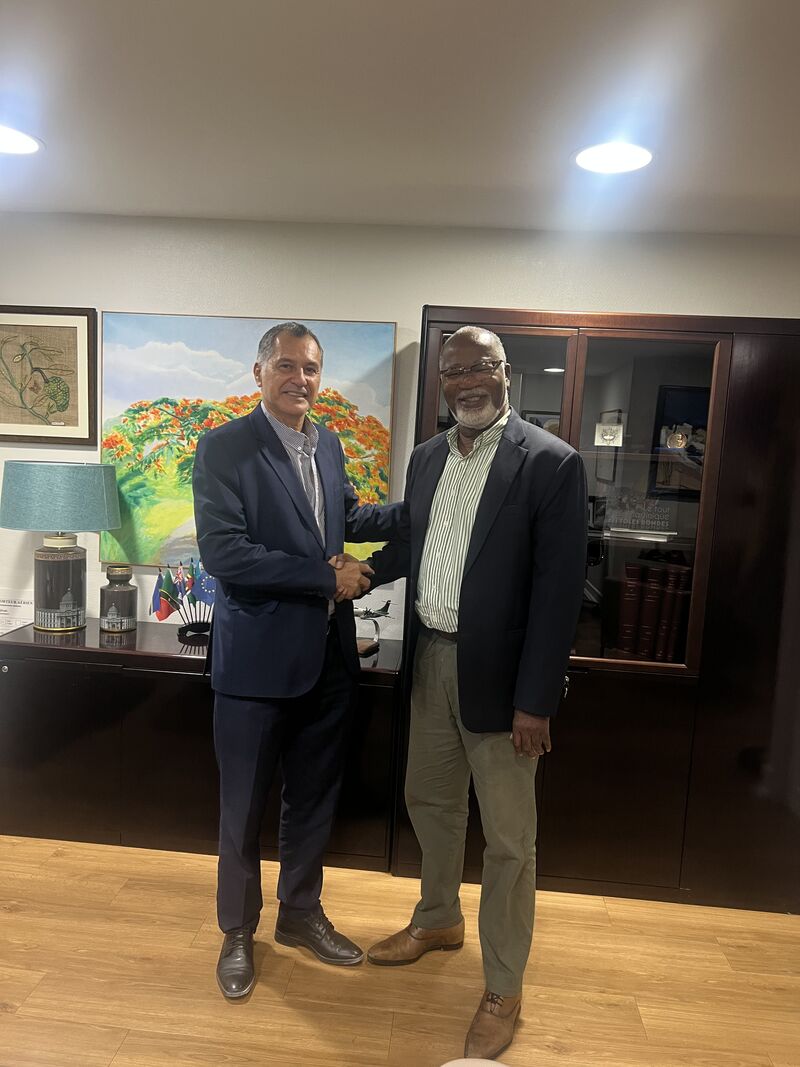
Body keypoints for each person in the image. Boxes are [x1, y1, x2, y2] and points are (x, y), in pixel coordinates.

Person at [366, 326, 587, 1060]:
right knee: (429, 801)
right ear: (442, 382)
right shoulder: (427, 457)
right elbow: (412, 544)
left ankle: (503, 987)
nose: (467, 381)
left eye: (480, 367)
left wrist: (537, 701)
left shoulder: (550, 462)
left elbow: (558, 595)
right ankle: (437, 918)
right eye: (454, 371)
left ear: (506, 372)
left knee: (509, 841)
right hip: (431, 658)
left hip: (505, 681)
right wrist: (357, 573)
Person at [192, 321, 403, 999]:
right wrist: (324, 577)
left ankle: (300, 914)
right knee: (242, 809)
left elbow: (344, 518)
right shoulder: (224, 447)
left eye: (310, 368)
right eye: (286, 365)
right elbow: (225, 553)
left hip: (329, 660)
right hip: (255, 667)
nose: (299, 379)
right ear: (259, 373)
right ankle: (237, 931)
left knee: (313, 800)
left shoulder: (329, 443)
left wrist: (421, 507)